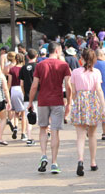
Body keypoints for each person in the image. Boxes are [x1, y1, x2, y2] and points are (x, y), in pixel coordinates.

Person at [28, 41, 72, 174]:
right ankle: (54, 162)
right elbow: (68, 85)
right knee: (55, 131)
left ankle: (43, 155)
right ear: (58, 51)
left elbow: (34, 85)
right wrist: (69, 101)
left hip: (42, 100)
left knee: (42, 129)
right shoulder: (64, 65)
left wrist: (30, 101)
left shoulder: (40, 65)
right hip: (57, 100)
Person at [70, 49, 105, 176]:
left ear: (81, 58)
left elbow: (73, 91)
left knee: (80, 135)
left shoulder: (75, 72)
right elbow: (99, 90)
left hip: (80, 101)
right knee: (92, 135)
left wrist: (75, 103)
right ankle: (93, 162)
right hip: (92, 101)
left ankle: (80, 160)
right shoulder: (96, 72)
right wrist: (103, 107)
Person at [20, 48, 38, 145]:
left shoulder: (23, 68)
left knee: (29, 117)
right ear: (37, 56)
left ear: (27, 57)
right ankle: (46, 134)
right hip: (38, 95)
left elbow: (21, 83)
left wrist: (24, 93)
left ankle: (29, 138)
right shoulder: (38, 66)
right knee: (41, 117)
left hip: (27, 95)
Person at [7, 52, 26, 140]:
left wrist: (7, 93)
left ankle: (15, 126)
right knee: (23, 112)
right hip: (22, 89)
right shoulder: (24, 69)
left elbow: (9, 83)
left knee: (15, 112)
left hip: (14, 89)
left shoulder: (12, 69)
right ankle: (23, 133)